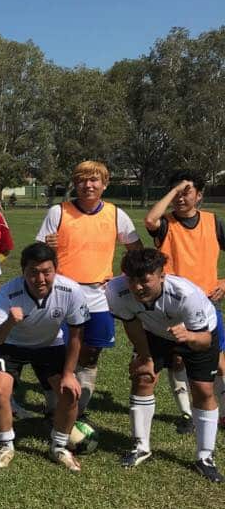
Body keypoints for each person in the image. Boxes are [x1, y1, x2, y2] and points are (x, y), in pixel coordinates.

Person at [36, 160, 142, 418]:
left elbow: (137, 252)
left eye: (94, 180)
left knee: (91, 352)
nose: (88, 185)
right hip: (62, 292)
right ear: (75, 184)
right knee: (56, 350)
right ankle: (54, 403)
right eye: (82, 180)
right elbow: (37, 256)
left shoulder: (116, 214)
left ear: (104, 185)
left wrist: (120, 279)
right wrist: (49, 248)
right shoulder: (58, 212)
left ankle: (77, 409)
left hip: (99, 295)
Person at [106, 248, 222, 482]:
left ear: (161, 276)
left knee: (203, 389)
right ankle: (141, 447)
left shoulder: (186, 294)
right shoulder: (115, 291)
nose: (137, 287)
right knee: (142, 377)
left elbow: (205, 341)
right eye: (132, 280)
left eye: (144, 281)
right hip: (154, 332)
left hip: (196, 333)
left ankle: (205, 456)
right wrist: (146, 357)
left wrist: (188, 337)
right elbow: (132, 325)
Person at [0, 242, 89, 471]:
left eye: (46, 272)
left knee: (69, 393)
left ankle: (60, 446)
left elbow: (76, 335)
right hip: (10, 346)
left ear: (56, 269)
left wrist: (69, 374)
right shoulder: (8, 292)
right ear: (23, 271)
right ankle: (5, 445)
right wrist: (10, 322)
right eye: (33, 272)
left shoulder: (71, 291)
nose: (40, 279)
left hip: (48, 345)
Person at [144, 170, 225, 431]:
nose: (180, 197)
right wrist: (175, 188)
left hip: (207, 305)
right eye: (176, 192)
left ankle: (221, 413)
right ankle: (187, 414)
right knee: (177, 360)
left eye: (186, 191)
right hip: (171, 304)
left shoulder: (214, 223)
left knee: (220, 362)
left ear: (199, 196)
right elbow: (150, 219)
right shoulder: (166, 224)